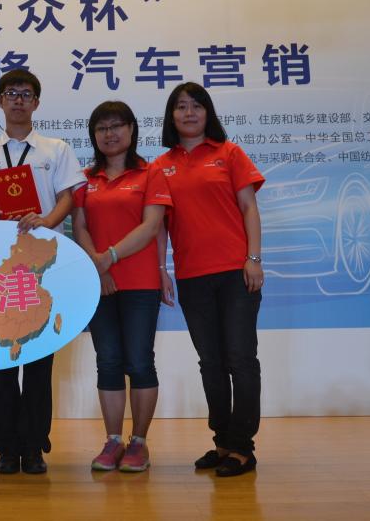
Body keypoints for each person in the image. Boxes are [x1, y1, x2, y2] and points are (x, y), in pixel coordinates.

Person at [0, 69, 85, 474]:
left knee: (38, 358)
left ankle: (34, 445)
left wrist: (46, 221)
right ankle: (6, 447)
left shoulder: (55, 149)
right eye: (11, 93)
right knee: (1, 356)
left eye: (25, 94)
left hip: (44, 261)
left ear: (36, 102)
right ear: (0, 101)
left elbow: (68, 198)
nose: (18, 100)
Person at [152, 82, 265, 477]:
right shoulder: (160, 166)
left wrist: (253, 258)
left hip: (236, 273)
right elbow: (159, 225)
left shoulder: (229, 153)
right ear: (171, 116)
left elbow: (249, 208)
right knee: (211, 363)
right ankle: (222, 442)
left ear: (208, 112)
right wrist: (161, 270)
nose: (189, 113)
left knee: (241, 359)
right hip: (192, 277)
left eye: (197, 106)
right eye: (181, 106)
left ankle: (243, 447)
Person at [71, 101, 173, 473]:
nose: (109, 134)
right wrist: (98, 267)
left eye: (116, 126)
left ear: (131, 129)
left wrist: (109, 257)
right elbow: (79, 226)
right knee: (109, 361)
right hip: (98, 283)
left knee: (140, 361)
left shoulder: (150, 173)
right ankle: (113, 441)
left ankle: (139, 443)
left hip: (140, 282)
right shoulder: (84, 178)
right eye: (101, 128)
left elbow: (151, 226)